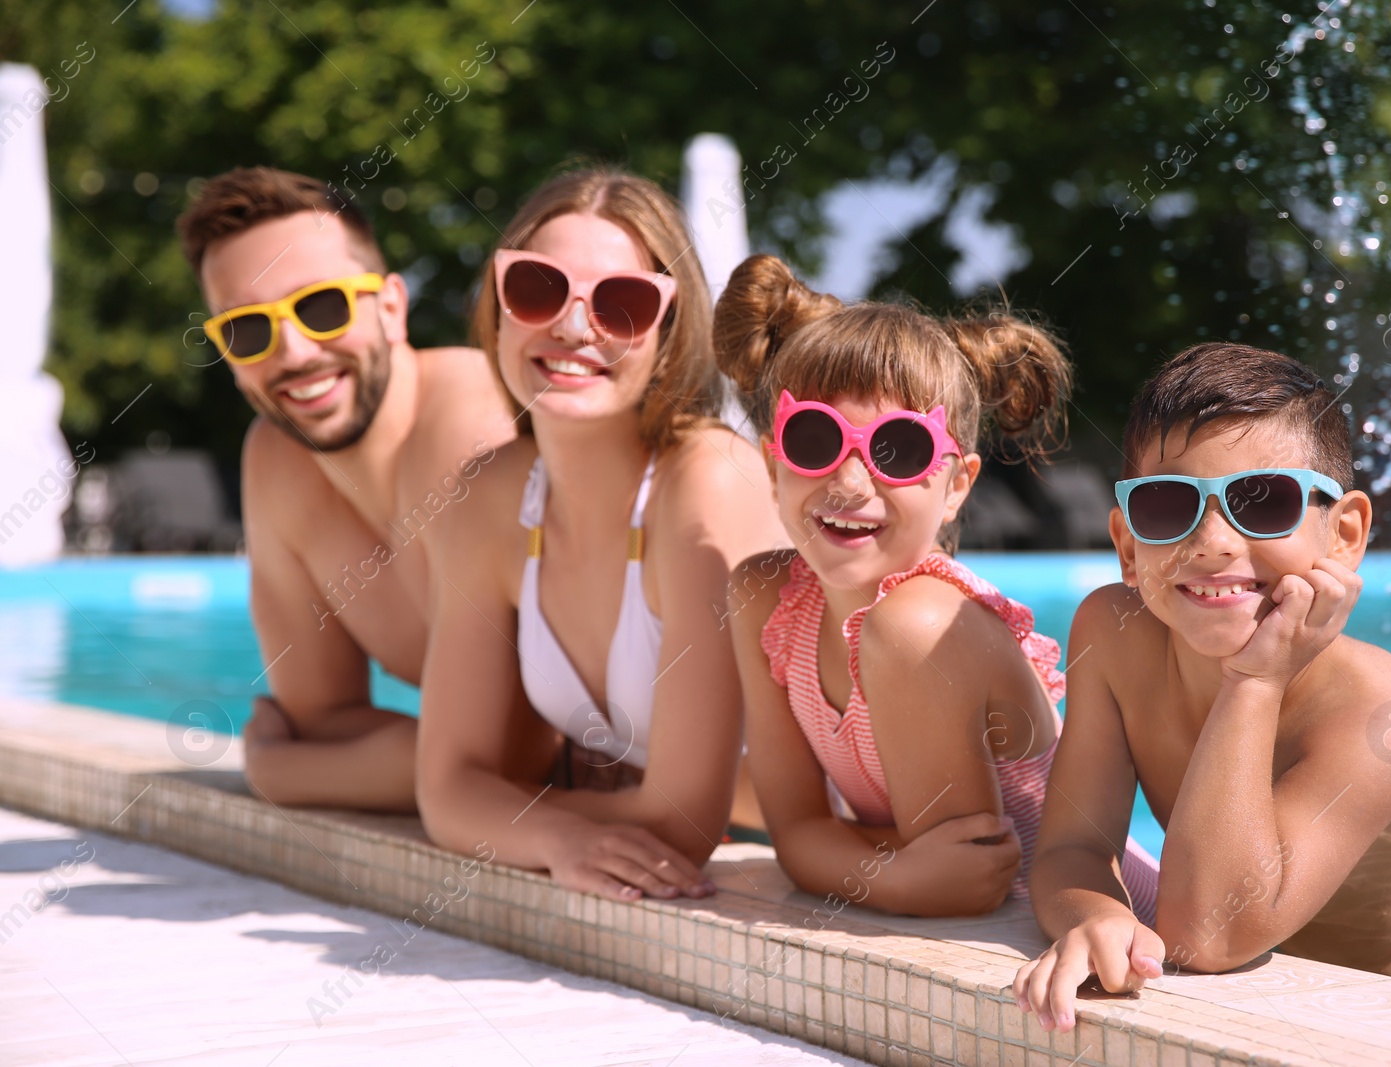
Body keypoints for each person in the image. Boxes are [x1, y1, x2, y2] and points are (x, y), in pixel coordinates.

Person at [1013, 343, 1391, 1029]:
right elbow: (1072, 845)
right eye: (1168, 505)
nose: (1214, 539)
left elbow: (1208, 933)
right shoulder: (1113, 632)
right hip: (1297, 1006)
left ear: (1344, 534)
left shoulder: (1377, 711)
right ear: (1129, 547)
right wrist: (1096, 913)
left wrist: (1254, 679)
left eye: (1262, 500)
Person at [715, 255, 1161, 918]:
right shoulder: (764, 598)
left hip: (1125, 930)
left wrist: (860, 860)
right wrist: (887, 871)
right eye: (816, 438)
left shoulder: (921, 624)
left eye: (899, 449)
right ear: (772, 462)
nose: (851, 481)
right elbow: (798, 836)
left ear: (956, 486)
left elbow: (966, 880)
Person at [415, 169, 784, 902]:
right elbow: (447, 788)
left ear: (669, 330)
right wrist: (559, 838)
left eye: (623, 303)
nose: (576, 327)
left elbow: (679, 822)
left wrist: (509, 814)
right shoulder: (488, 497)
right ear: (498, 305)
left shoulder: (704, 484)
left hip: (924, 838)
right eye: (537, 288)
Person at [177, 167, 517, 811]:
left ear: (391, 307)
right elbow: (322, 717)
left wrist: (283, 773)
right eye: (249, 329)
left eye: (322, 307)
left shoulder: (472, 429)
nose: (296, 351)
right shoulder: (275, 462)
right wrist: (385, 758)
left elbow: (514, 758)